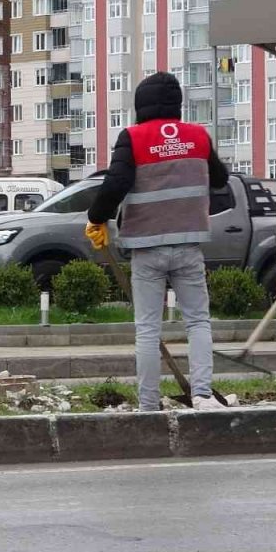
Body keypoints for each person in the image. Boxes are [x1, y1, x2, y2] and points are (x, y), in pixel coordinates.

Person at [83, 71, 230, 412]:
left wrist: (95, 217)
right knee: (197, 321)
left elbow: (115, 182)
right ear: (177, 104)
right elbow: (220, 178)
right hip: (189, 244)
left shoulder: (132, 138)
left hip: (147, 247)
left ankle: (149, 404)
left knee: (147, 329)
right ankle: (203, 395)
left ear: (140, 104)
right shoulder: (198, 136)